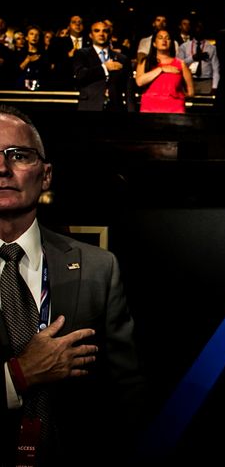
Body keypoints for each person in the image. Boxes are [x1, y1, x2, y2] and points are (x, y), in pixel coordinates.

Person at [0, 107, 146, 465]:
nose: (2, 169)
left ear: (45, 175)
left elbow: (127, 394)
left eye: (19, 155)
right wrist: (18, 375)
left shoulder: (100, 266)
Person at [73, 19, 134, 112]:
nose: (101, 34)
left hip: (115, 107)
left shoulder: (122, 58)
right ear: (90, 35)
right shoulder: (81, 54)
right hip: (90, 106)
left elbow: (128, 89)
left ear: (109, 35)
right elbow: (80, 75)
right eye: (97, 30)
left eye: (105, 31)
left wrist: (131, 112)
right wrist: (105, 67)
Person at [135, 29, 193, 113]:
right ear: (154, 44)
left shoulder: (181, 64)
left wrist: (177, 96)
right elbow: (139, 82)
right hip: (150, 108)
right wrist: (161, 69)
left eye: (167, 38)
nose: (164, 40)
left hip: (175, 109)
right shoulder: (145, 62)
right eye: (160, 38)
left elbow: (191, 91)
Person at [177, 20, 219, 96]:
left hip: (206, 82)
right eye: (197, 27)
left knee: (205, 105)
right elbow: (178, 65)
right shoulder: (184, 46)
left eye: (201, 27)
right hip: (188, 81)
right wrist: (193, 58)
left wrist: (215, 86)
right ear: (193, 29)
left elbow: (216, 69)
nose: (199, 29)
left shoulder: (212, 48)